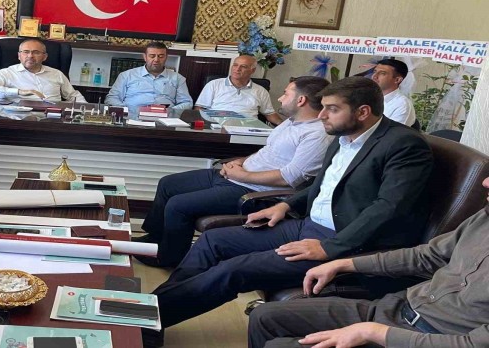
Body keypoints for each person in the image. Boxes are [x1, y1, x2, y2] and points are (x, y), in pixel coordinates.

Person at [147, 76, 434, 337]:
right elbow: (323, 185)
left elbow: (389, 207)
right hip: (308, 226)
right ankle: (149, 313)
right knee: (213, 241)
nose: (321, 115)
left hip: (346, 242)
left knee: (233, 270)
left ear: (362, 112)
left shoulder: (404, 145)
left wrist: (330, 248)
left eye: (332, 109)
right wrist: (285, 205)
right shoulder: (343, 136)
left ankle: (147, 322)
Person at [248, 175, 489, 348]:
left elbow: (472, 344)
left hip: (429, 337)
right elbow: (426, 256)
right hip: (396, 309)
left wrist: (375, 333)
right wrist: (343, 264)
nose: (485, 182)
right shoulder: (483, 218)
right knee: (265, 317)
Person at [136, 77, 333, 267]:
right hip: (238, 176)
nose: (280, 98)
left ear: (301, 100)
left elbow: (289, 178)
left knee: (178, 205)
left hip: (255, 191)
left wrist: (242, 175)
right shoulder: (291, 122)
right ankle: (155, 239)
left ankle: (169, 258)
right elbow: (268, 153)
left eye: (286, 93)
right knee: (168, 184)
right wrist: (240, 161)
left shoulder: (317, 135)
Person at [0, 38, 86, 102]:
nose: (30, 56)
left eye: (36, 52)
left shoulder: (57, 74)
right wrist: (19, 92)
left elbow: (73, 96)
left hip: (53, 119)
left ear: (45, 57)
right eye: (25, 52)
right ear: (19, 56)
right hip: (19, 119)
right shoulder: (7, 73)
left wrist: (87, 112)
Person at [195, 55, 283, 125]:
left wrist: (285, 125)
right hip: (218, 125)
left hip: (248, 127)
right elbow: (199, 109)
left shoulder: (260, 91)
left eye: (243, 66)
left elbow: (270, 114)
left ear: (252, 70)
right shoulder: (214, 84)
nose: (237, 69)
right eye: (235, 65)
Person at [105, 42, 193, 110]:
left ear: (166, 57)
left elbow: (187, 102)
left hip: (165, 118)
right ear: (145, 57)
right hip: (133, 116)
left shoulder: (178, 78)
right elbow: (112, 98)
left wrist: (171, 111)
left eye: (161, 56)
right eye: (152, 56)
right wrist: (125, 109)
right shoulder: (126, 75)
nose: (156, 60)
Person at [371, 58, 416, 127]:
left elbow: (393, 132)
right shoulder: (368, 97)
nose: (374, 76)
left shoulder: (402, 105)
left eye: (382, 73)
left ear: (397, 80)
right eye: (375, 72)